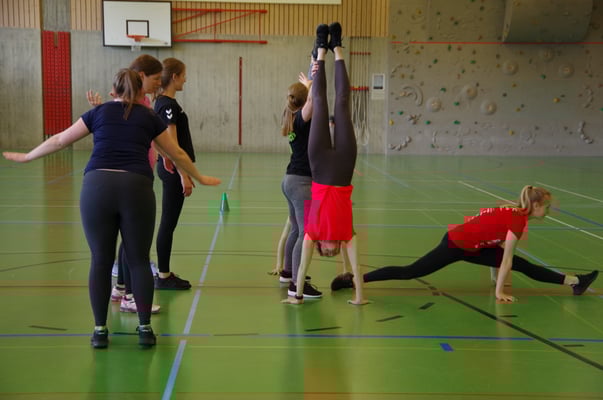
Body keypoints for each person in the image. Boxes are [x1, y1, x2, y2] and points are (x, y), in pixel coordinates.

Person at [4, 68, 221, 349]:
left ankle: (100, 330)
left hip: (97, 187)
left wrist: (27, 156)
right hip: (136, 187)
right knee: (139, 260)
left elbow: (59, 139)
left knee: (100, 260)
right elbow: (176, 152)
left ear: (113, 90)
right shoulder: (149, 116)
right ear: (140, 91)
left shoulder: (98, 112)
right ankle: (145, 329)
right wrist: (199, 177)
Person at [331, 185, 599, 302]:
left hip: (474, 246)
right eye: (546, 207)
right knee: (410, 271)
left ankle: (575, 282)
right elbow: (505, 258)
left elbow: (494, 241)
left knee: (523, 265)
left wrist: (495, 275)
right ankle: (354, 280)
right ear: (536, 206)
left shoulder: (515, 212)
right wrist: (499, 291)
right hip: (455, 244)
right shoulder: (518, 221)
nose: (548, 211)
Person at [284, 22, 368, 305]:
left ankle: (322, 50)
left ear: (320, 246)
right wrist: (359, 296)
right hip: (344, 166)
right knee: (342, 103)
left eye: (326, 253)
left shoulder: (313, 232)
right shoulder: (346, 235)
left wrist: (297, 296)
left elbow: (303, 267)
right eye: (334, 253)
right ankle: (338, 48)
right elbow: (356, 267)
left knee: (319, 102)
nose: (331, 253)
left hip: (319, 164)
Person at [88, 55, 163, 312]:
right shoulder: (136, 106)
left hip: (139, 175)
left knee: (128, 244)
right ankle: (129, 294)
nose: (159, 83)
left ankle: (121, 288)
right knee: (133, 247)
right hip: (131, 179)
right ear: (141, 77)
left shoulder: (145, 104)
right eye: (155, 78)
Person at [277, 63, 322, 298]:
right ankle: (296, 284)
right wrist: (312, 80)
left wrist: (307, 85)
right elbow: (312, 101)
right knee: (306, 233)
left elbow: (308, 101)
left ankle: (288, 272)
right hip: (300, 184)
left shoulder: (292, 116)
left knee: (296, 228)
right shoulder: (302, 119)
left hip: (290, 180)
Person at [153, 58, 196, 290]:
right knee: (168, 223)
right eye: (183, 75)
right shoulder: (167, 105)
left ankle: (164, 272)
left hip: (172, 169)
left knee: (169, 223)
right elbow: (171, 143)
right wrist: (183, 174)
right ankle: (163, 275)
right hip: (172, 171)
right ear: (174, 77)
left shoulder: (165, 103)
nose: (185, 80)